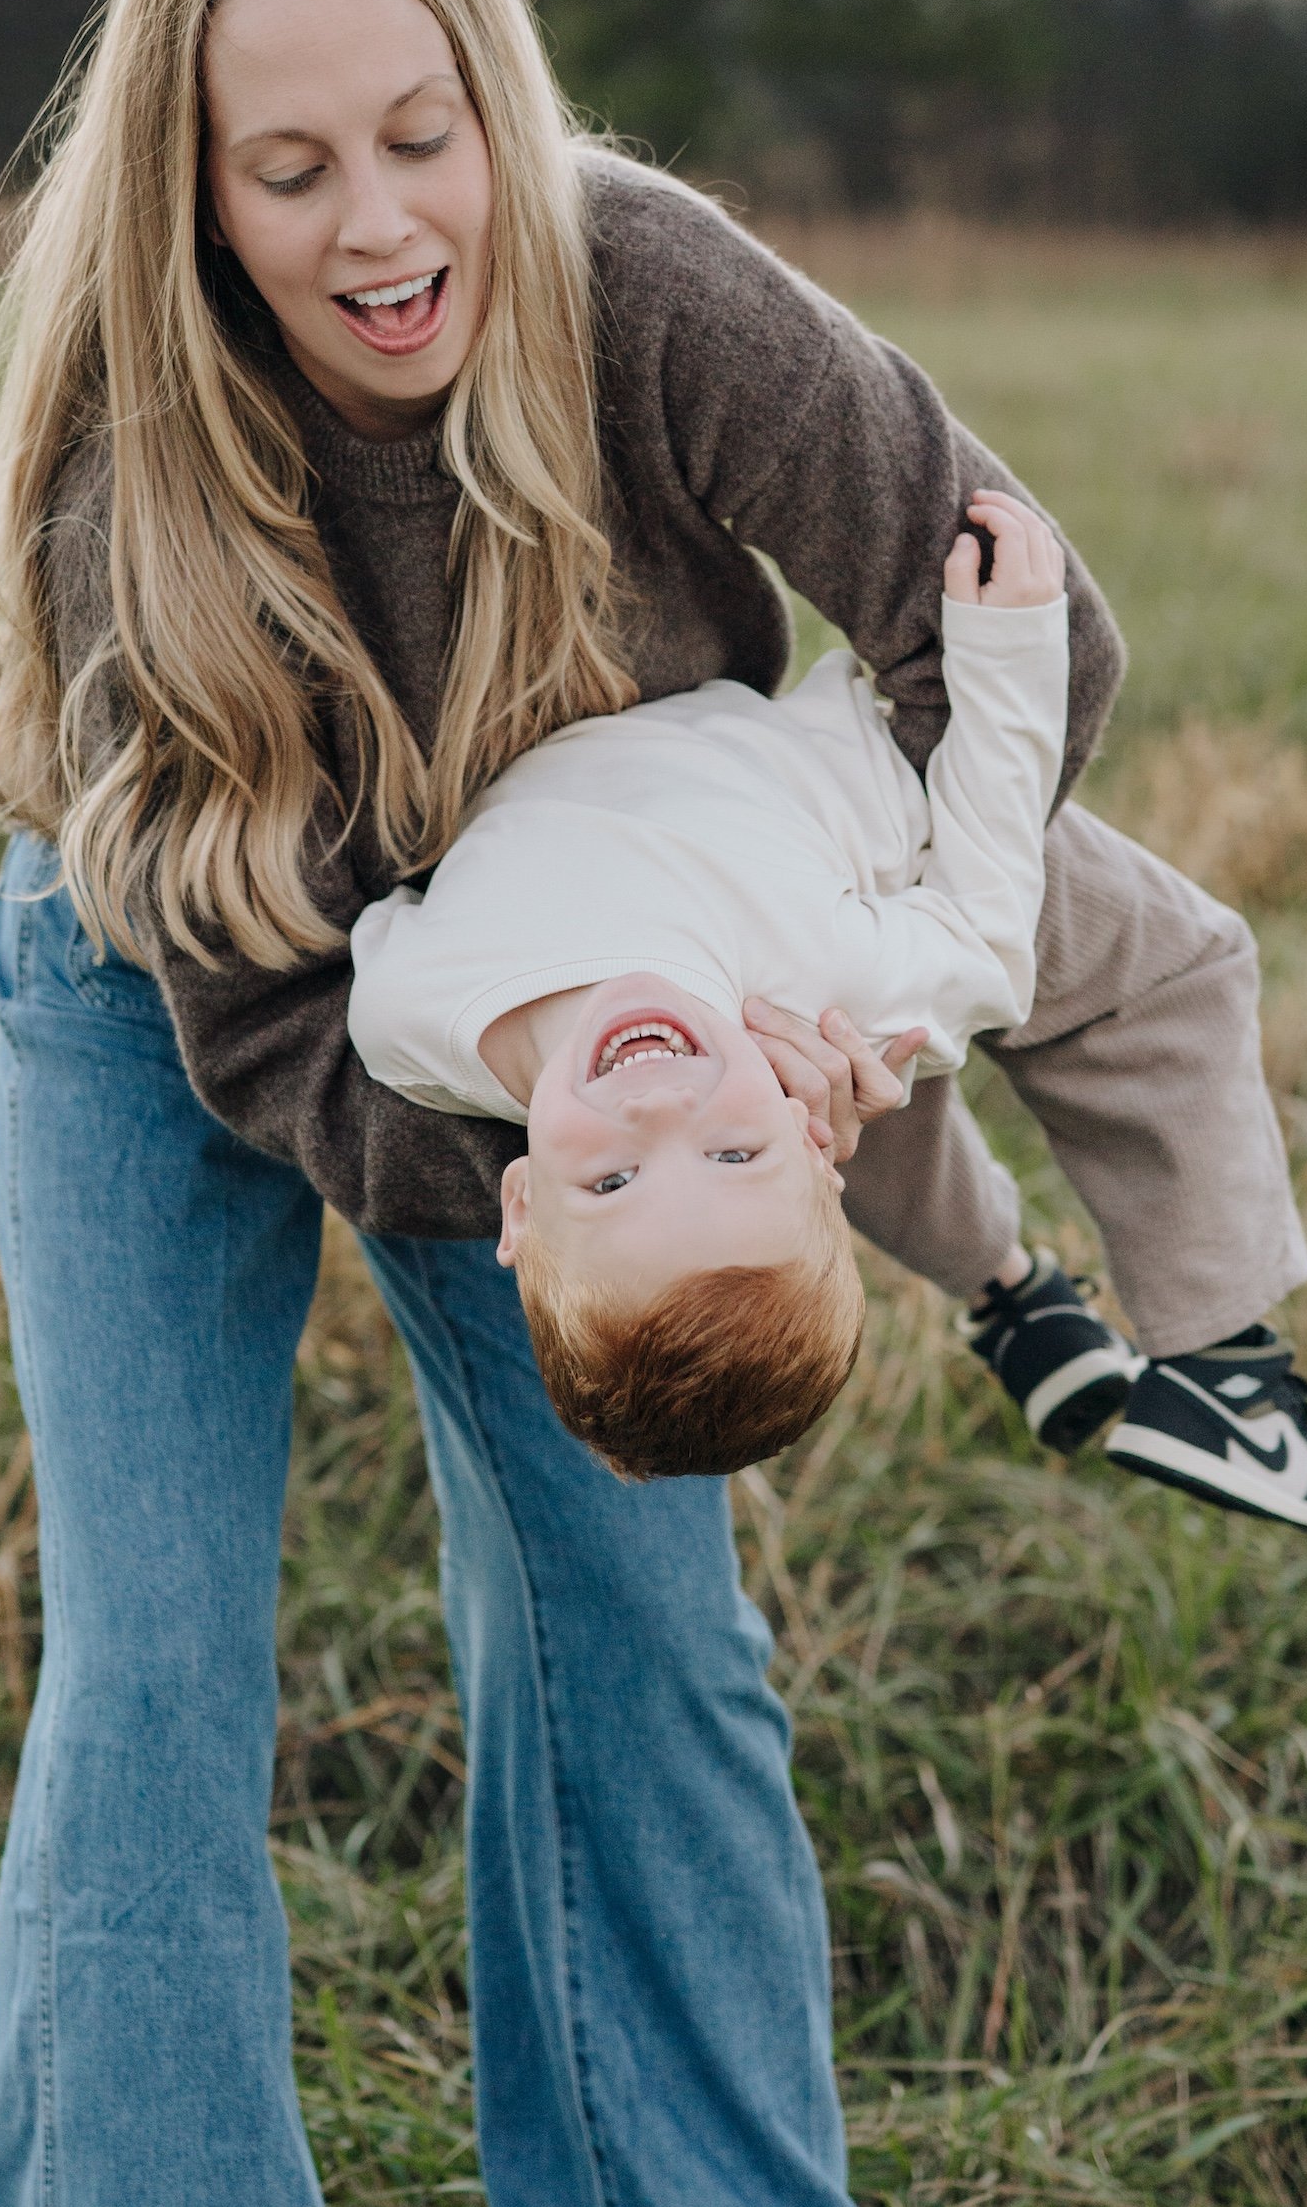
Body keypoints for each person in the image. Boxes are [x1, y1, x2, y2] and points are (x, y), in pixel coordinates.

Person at [0, 0, 1307, 2207]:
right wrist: (589, 1120)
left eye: (420, 132)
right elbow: (292, 1050)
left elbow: (1018, 629)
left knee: (641, 1618)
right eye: (288, 165)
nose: (379, 220)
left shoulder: (650, 291)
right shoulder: (135, 470)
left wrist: (811, 1009)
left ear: (501, 101)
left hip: (632, 995)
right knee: (161, 1664)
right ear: (191, 198)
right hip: (202, 980)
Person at [349, 489, 1074, 1476]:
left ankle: (1037, 1298)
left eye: (610, 1181)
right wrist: (1011, 654)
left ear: (518, 1205)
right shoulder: (827, 990)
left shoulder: (410, 1012)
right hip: (776, 727)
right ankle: (1094, 1307)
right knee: (1180, 976)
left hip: (514, 678)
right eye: (733, 1153)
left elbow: (349, 881)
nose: (657, 1109)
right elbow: (991, 939)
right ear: (815, 1138)